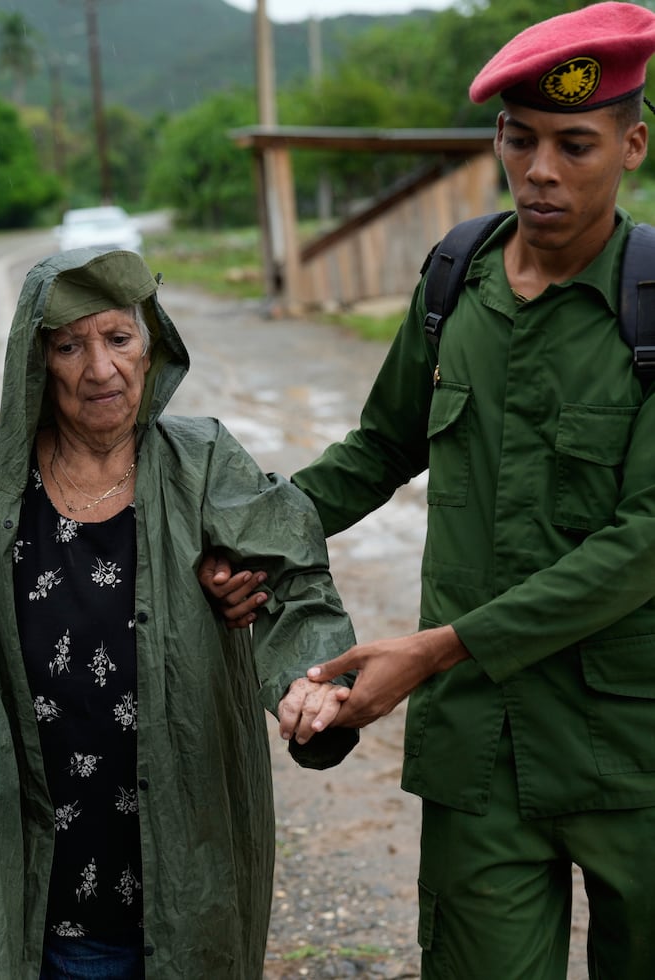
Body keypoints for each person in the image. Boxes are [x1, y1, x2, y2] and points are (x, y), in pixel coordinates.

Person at [201, 4, 655, 978]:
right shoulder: (456, 281)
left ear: (630, 144)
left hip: (632, 749)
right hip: (477, 753)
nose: (539, 169)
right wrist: (246, 541)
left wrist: (437, 647)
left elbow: (642, 540)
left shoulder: (649, 309)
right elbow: (377, 447)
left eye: (573, 144)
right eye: (518, 138)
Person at [0, 246, 360, 979]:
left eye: (119, 339)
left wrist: (308, 683)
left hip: (186, 874)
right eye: (69, 346)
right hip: (45, 898)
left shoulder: (207, 462)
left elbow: (292, 577)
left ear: (151, 352)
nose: (100, 369)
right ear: (36, 364)